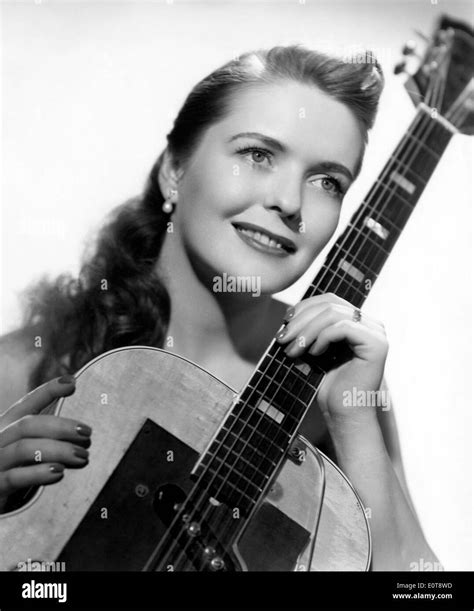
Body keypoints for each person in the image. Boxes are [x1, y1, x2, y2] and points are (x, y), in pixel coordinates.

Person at [0, 45, 438, 570]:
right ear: (174, 170)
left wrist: (352, 417)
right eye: (258, 154)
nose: (290, 202)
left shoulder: (340, 381)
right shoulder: (32, 364)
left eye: (327, 181)